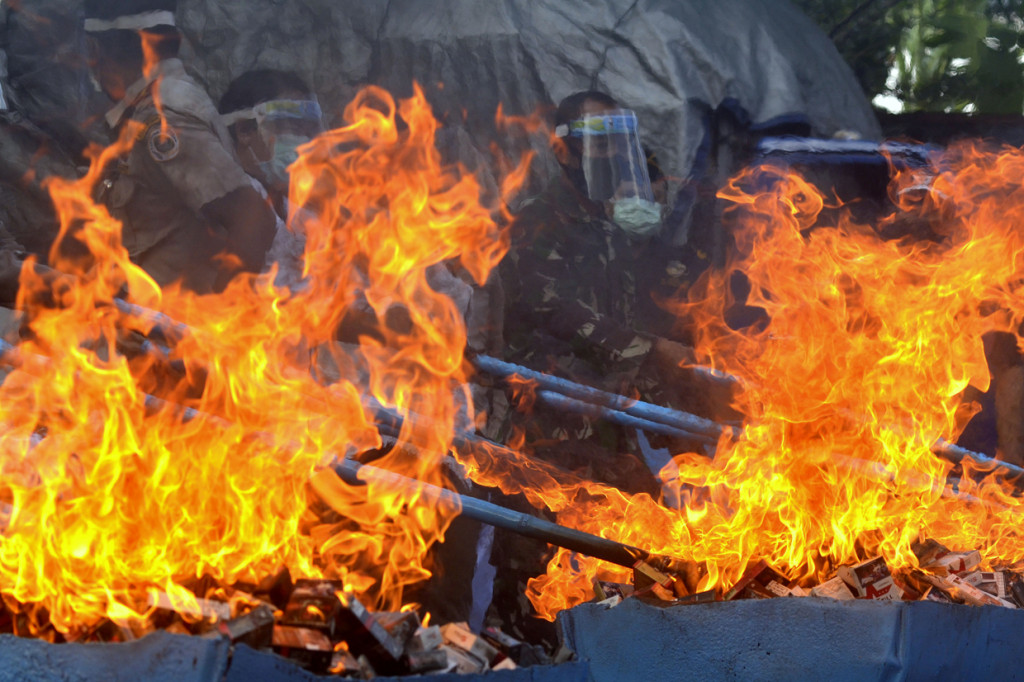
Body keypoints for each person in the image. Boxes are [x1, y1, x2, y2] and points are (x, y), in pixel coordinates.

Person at [82, 0, 276, 295]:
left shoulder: (161, 118)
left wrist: (224, 318)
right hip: (157, 327)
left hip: (180, 330)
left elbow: (251, 217)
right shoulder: (164, 100)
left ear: (95, 51)